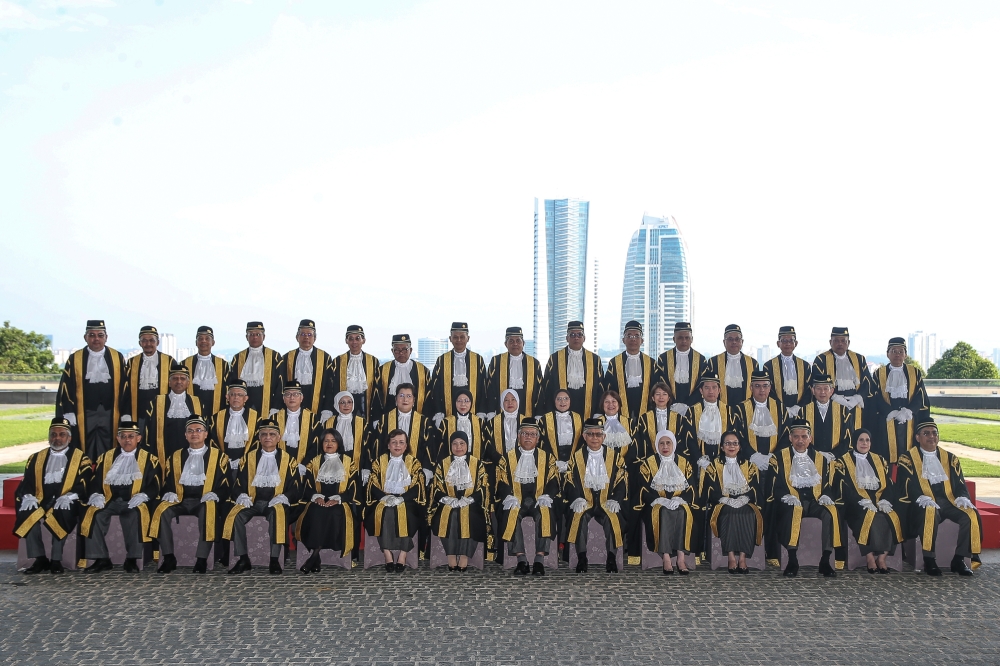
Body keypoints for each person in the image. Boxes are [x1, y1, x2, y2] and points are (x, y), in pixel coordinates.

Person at [895, 418, 982, 576]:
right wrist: (921, 497)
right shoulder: (907, 459)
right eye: (926, 433)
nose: (931, 437)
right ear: (917, 438)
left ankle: (959, 559)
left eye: (934, 433)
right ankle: (929, 560)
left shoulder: (950, 458)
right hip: (921, 503)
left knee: (970, 515)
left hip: (948, 501)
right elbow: (905, 485)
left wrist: (963, 497)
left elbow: (960, 483)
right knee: (930, 513)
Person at [150, 416, 230, 574]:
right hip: (180, 500)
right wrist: (169, 492)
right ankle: (168, 557)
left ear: (206, 434)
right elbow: (166, 482)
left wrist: (215, 493)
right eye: (190, 431)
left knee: (209, 510)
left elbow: (227, 484)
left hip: (204, 500)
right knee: (161, 511)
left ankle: (201, 559)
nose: (195, 434)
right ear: (185, 435)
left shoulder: (219, 456)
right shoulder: (175, 456)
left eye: (198, 430)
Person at [79, 418, 160, 574]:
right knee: (94, 514)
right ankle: (101, 558)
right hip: (110, 500)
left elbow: (155, 484)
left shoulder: (150, 459)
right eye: (123, 436)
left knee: (135, 515)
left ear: (139, 438)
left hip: (133, 501)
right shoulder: (106, 457)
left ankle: (131, 559)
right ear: (117, 439)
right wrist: (96, 494)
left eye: (131, 436)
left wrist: (144, 495)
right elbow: (95, 480)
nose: (127, 440)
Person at [14, 418, 93, 574]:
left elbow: (85, 482)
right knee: (27, 512)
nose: (57, 438)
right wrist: (28, 495)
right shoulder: (35, 458)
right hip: (40, 498)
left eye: (62, 434)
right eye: (53, 434)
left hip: (65, 499)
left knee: (62, 513)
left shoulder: (81, 459)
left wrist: (70, 496)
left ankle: (56, 560)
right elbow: (27, 481)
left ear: (69, 438)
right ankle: (39, 558)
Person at [223, 417, 302, 575]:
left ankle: (274, 559)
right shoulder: (248, 458)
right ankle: (243, 558)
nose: (268, 437)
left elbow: (296, 487)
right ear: (259, 437)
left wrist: (283, 497)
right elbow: (237, 483)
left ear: (279, 438)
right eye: (264, 434)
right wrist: (242, 495)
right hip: (252, 502)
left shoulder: (289, 460)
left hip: (274, 503)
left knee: (277, 515)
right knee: (236, 516)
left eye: (272, 434)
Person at [770, 418, 842, 577]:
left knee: (830, 512)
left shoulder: (822, 459)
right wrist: (786, 496)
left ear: (810, 438)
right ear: (790, 438)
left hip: (815, 501)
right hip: (791, 502)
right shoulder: (778, 458)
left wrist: (826, 495)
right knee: (793, 511)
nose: (800, 441)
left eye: (804, 437)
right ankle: (792, 560)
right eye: (796, 437)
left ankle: (825, 560)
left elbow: (829, 485)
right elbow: (774, 485)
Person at [495, 417, 560, 575]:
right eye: (524, 433)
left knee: (545, 512)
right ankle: (521, 559)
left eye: (532, 434)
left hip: (539, 500)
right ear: (518, 437)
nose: (528, 437)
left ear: (537, 438)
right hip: (517, 499)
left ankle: (539, 560)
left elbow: (554, 480)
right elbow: (500, 480)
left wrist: (547, 495)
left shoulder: (547, 457)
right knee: (511, 512)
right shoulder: (507, 457)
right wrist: (508, 496)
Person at [833, 429, 901, 574]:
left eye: (867, 440)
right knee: (867, 516)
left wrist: (885, 501)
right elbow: (844, 487)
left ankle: (882, 557)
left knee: (893, 516)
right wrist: (861, 501)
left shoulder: (880, 460)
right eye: (861, 440)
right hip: (855, 503)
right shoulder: (842, 462)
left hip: (879, 500)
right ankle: (870, 557)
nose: (864, 443)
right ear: (855, 442)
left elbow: (888, 484)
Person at [56, 320, 126, 460]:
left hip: (110, 413)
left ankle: (105, 474)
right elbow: (66, 386)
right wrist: (69, 412)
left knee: (109, 445)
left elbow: (125, 386)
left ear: (106, 337)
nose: (96, 339)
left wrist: (125, 413)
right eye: (92, 335)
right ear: (85, 337)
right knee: (83, 445)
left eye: (100, 335)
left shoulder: (117, 357)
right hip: (84, 413)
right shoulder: (75, 358)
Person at [565, 418, 627, 573]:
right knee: (579, 516)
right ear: (584, 437)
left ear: (604, 437)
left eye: (598, 434)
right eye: (591, 434)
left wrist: (616, 499)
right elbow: (568, 480)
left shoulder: (615, 456)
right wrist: (576, 497)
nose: (594, 438)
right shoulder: (575, 457)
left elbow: (622, 480)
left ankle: (611, 558)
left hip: (607, 500)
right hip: (585, 501)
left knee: (612, 518)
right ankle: (582, 558)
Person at [296, 429, 359, 573]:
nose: (329, 443)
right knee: (315, 511)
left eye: (333, 440)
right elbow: (306, 485)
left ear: (339, 443)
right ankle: (315, 558)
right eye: (326, 441)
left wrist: (339, 499)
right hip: (318, 500)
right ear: (321, 443)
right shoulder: (314, 462)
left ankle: (314, 557)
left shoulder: (349, 462)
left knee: (334, 513)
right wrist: (316, 497)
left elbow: (354, 488)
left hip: (340, 503)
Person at [428, 432, 492, 571]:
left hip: (472, 504)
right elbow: (436, 488)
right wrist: (447, 500)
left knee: (470, 517)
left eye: (462, 443)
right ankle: (451, 556)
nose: (458, 447)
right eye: (455, 444)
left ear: (467, 445)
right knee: (450, 515)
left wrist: (469, 499)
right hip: (447, 503)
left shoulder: (477, 464)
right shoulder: (443, 464)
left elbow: (484, 487)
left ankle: (464, 556)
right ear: (450, 446)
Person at [365, 429, 426, 572]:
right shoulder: (379, 462)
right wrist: (384, 497)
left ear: (406, 446)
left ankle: (403, 555)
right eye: (394, 442)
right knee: (383, 512)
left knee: (404, 514)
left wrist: (402, 498)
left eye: (401, 442)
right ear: (388, 445)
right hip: (383, 498)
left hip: (407, 500)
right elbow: (372, 484)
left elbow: (418, 486)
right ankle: (387, 554)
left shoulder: (414, 462)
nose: (397, 445)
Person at [638, 430, 697, 574]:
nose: (665, 446)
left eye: (668, 443)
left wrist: (680, 499)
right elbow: (642, 489)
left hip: (680, 502)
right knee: (664, 511)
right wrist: (659, 499)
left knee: (682, 511)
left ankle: (681, 558)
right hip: (655, 505)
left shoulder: (684, 463)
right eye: (661, 443)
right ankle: (666, 558)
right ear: (656, 445)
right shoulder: (648, 463)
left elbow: (692, 488)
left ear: (674, 445)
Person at [703, 431, 762, 574]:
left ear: (740, 447)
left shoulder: (749, 466)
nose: (731, 446)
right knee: (729, 513)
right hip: (722, 504)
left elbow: (756, 487)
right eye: (727, 443)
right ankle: (731, 557)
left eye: (735, 443)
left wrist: (745, 498)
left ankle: (742, 558)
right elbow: (709, 488)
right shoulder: (713, 465)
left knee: (748, 514)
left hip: (745, 503)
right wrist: (725, 499)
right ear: (722, 447)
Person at [870, 337, 930, 463]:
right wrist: (890, 412)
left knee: (909, 457)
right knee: (885, 457)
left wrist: (909, 412)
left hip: (909, 421)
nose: (897, 355)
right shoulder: (878, 373)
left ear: (906, 355)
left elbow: (920, 395)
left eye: (900, 351)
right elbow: (875, 397)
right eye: (893, 351)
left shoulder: (915, 373)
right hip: (886, 421)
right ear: (887, 354)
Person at [142, 363, 202, 474]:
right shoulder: (156, 402)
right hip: (164, 449)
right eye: (175, 378)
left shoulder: (197, 402)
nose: (179, 381)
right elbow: (148, 430)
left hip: (189, 449)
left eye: (182, 379)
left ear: (188, 383)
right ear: (169, 382)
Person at [811, 327, 873, 431]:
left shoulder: (859, 358)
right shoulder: (821, 359)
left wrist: (858, 397)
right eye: (836, 341)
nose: (840, 344)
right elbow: (816, 383)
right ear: (830, 342)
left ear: (848, 343)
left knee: (855, 433)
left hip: (856, 405)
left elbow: (867, 382)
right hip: (832, 403)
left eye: (843, 341)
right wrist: (835, 398)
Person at [540, 320, 604, 420]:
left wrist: (598, 412)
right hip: (559, 413)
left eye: (579, 334)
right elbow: (547, 389)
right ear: (567, 338)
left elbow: (601, 389)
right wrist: (549, 413)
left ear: (584, 338)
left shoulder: (595, 359)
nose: (576, 337)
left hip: (588, 411)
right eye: (572, 335)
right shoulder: (555, 358)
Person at [429, 322, 488, 426]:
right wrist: (439, 412)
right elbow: (435, 389)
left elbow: (484, 389)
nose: (459, 340)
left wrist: (481, 411)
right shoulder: (442, 360)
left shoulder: (478, 359)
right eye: (455, 337)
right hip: (448, 413)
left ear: (468, 338)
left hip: (473, 414)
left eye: (462, 337)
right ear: (450, 338)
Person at [603, 320, 656, 429]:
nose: (633, 339)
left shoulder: (651, 363)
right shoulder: (614, 362)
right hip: (620, 411)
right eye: (629, 336)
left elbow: (655, 388)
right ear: (623, 340)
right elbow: (608, 389)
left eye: (637, 336)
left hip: (646, 410)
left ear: (642, 340)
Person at [227, 321, 284, 417]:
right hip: (243, 406)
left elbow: (281, 384)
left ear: (264, 336)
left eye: (258, 334)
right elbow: (231, 383)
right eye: (251, 334)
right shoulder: (238, 358)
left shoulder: (275, 357)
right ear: (246, 337)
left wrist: (276, 406)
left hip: (268, 405)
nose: (255, 337)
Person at [281, 319, 335, 421]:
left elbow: (329, 386)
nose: (306, 337)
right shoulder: (287, 358)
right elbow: (281, 385)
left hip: (317, 403)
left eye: (309, 335)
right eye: (303, 334)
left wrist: (327, 408)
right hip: (292, 402)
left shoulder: (325, 358)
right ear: (297, 337)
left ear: (315, 338)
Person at [486, 326, 544, 417]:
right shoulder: (496, 361)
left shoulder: (534, 363)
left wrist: (539, 414)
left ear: (523, 343)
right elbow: (489, 389)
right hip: (501, 414)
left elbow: (540, 392)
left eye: (518, 341)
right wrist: (490, 412)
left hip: (528, 413)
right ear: (506, 344)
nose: (515, 344)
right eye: (511, 341)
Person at [734, 370, 786, 472]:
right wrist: (753, 455)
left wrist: (773, 456)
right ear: (751, 388)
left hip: (775, 463)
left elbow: (786, 436)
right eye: (757, 386)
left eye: (765, 386)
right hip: (747, 462)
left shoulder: (781, 408)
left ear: (770, 388)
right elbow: (737, 436)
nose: (762, 389)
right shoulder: (740, 409)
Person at [121, 325, 173, 428]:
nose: (148, 344)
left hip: (163, 414)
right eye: (144, 340)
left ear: (157, 342)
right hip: (138, 413)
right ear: (139, 343)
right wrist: (126, 414)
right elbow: (125, 391)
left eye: (151, 340)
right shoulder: (132, 363)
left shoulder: (169, 361)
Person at [371, 334, 431, 421]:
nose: (401, 353)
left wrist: (426, 419)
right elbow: (376, 397)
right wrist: (377, 418)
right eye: (397, 350)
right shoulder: (383, 370)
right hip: (388, 418)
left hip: (416, 419)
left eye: (404, 349)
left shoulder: (423, 371)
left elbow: (428, 398)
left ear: (410, 350)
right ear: (392, 351)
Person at [653, 322, 709, 413]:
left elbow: (702, 385)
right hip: (669, 407)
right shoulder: (663, 359)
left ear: (692, 339)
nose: (684, 341)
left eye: (687, 338)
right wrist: (673, 403)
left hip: (693, 408)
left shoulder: (701, 360)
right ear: (674, 339)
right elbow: (661, 383)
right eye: (680, 338)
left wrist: (688, 404)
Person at [331, 325, 382, 420]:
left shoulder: (373, 361)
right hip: (342, 410)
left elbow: (377, 389)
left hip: (366, 408)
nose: (354, 342)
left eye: (357, 338)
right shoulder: (337, 361)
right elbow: (331, 388)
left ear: (363, 340)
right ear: (346, 341)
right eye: (351, 339)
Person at [801, 373, 854, 460]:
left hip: (836, 460)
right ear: (813, 390)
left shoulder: (843, 411)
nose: (822, 392)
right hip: (810, 460)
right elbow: (799, 438)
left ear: (832, 391)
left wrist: (833, 455)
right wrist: (816, 454)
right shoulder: (803, 411)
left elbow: (850, 439)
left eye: (826, 388)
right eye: (818, 388)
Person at [208, 380, 259, 469]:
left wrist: (245, 460)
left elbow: (257, 442)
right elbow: (212, 442)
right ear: (227, 397)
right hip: (222, 464)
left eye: (240, 395)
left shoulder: (256, 418)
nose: (236, 397)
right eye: (232, 394)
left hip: (248, 465)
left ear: (246, 398)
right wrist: (223, 459)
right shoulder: (216, 419)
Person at [271, 380, 320, 472]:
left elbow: (316, 445)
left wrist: (305, 464)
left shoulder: (313, 419)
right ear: (284, 399)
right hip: (278, 466)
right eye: (288, 394)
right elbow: (269, 443)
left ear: (301, 398)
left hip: (305, 468)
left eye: (296, 394)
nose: (292, 397)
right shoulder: (275, 418)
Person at [763, 326, 812, 417]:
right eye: (784, 341)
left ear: (796, 343)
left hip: (800, 411)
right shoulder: (768, 366)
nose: (788, 344)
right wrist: (782, 408)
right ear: (778, 343)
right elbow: (769, 391)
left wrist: (798, 407)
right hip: (776, 411)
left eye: (791, 341)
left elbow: (808, 390)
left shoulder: (805, 366)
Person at [182, 325, 231, 417]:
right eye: (200, 338)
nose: (203, 341)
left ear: (213, 342)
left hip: (217, 412)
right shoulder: (185, 364)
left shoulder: (223, 365)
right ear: (196, 342)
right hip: (190, 413)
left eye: (207, 338)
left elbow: (228, 390)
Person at [707, 324, 759, 407]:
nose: (734, 342)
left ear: (742, 342)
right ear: (724, 342)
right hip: (720, 410)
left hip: (747, 410)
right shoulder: (713, 362)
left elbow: (757, 389)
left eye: (737, 339)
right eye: (730, 339)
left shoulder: (752, 363)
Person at [440, 389, 489, 465]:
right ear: (455, 402)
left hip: (474, 463)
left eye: (466, 401)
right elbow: (441, 447)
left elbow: (485, 445)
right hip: (451, 464)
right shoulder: (446, 422)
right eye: (459, 401)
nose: (463, 404)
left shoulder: (479, 422)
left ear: (471, 403)